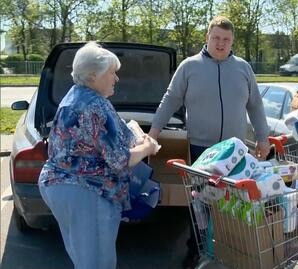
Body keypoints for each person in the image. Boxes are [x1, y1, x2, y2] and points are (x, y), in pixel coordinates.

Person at [148, 16, 269, 268]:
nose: (221, 43)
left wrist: (263, 138)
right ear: (207, 37)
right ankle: (196, 252)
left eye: (226, 39)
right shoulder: (189, 67)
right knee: (201, 205)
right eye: (216, 38)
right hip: (203, 152)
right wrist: (153, 134)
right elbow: (169, 100)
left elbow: (256, 106)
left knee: (233, 206)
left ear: (232, 41)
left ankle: (231, 251)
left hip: (237, 152)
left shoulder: (243, 68)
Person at [38, 41, 159, 269]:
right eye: (112, 73)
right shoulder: (96, 105)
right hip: (85, 191)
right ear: (93, 75)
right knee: (97, 263)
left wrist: (134, 136)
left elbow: (105, 139)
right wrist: (148, 147)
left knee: (84, 259)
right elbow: (121, 160)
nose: (116, 79)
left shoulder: (74, 97)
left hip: (59, 186)